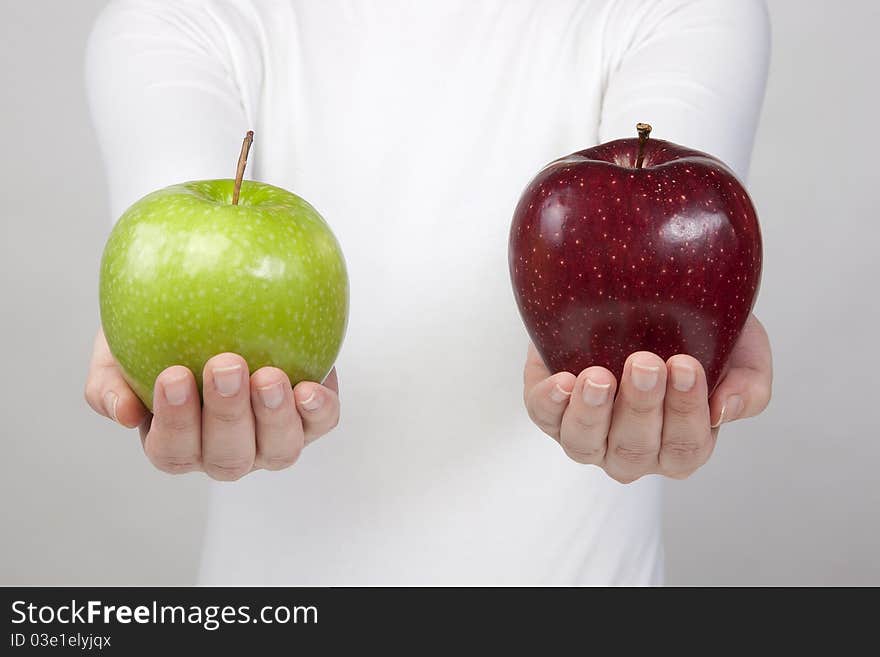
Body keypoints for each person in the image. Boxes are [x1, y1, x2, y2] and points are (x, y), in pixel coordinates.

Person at [83, 0, 772, 585]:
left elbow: (671, 223)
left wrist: (684, 326)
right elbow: (173, 237)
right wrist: (166, 341)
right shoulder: (178, 15)